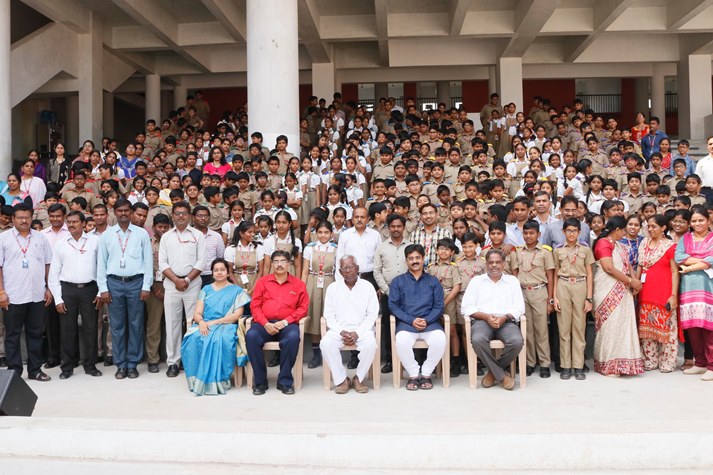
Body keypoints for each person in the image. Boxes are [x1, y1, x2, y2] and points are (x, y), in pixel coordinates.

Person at [97, 198, 153, 380]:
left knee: (136, 324)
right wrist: (103, 288)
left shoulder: (141, 234)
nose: (123, 213)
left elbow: (148, 261)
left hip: (136, 282)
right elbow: (101, 264)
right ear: (114, 212)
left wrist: (146, 286)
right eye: (119, 210)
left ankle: (133, 364)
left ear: (131, 212)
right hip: (114, 283)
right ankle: (120, 364)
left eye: (126, 211)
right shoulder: (107, 235)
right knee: (117, 325)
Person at [181, 258, 251, 396]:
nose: (219, 273)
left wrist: (213, 323)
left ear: (227, 272)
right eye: (216, 270)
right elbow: (197, 312)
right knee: (192, 338)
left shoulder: (236, 290)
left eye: (222, 270)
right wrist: (201, 322)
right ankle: (196, 380)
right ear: (212, 273)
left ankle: (220, 379)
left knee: (222, 339)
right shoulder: (206, 289)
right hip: (204, 323)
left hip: (227, 325)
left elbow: (237, 315)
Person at [0, 203, 53, 381]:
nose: (24, 220)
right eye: (20, 217)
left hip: (37, 295)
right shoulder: (4, 238)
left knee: (36, 334)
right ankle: (14, 371)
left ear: (32, 217)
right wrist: (1, 292)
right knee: (13, 334)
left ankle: (35, 370)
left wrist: (48, 288)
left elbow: (47, 264)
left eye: (27, 217)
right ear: (13, 219)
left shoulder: (40, 238)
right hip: (13, 296)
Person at [47, 210, 103, 379]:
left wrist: (101, 291)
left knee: (90, 328)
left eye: (75, 222)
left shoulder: (95, 242)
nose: (71, 225)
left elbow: (102, 268)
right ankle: (67, 367)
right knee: (67, 330)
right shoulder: (61, 244)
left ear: (83, 224)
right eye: (69, 222)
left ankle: (90, 365)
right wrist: (58, 298)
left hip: (90, 289)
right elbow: (54, 274)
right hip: (68, 291)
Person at [461, 249, 526, 390]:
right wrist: (486, 316)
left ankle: (493, 373)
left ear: (503, 264)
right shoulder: (476, 281)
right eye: (491, 262)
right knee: (478, 340)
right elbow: (466, 308)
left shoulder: (512, 281)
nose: (494, 265)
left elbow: (520, 307)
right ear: (486, 264)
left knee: (517, 341)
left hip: (506, 321)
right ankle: (502, 375)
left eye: (498, 262)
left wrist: (504, 317)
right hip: (482, 321)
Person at [246, 250, 309, 395]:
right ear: (272, 264)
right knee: (251, 336)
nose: (279, 265)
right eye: (276, 261)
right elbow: (254, 305)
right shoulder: (263, 282)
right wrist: (264, 322)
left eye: (282, 261)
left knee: (293, 337)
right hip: (265, 324)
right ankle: (261, 381)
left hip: (287, 325)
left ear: (289, 264)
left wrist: (286, 322)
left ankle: (285, 381)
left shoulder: (298, 284)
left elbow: (303, 308)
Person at [592, 216, 644, 377]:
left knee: (622, 326)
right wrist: (630, 281)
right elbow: (608, 268)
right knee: (609, 326)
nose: (625, 233)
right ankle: (608, 365)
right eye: (623, 230)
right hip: (606, 289)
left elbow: (627, 265)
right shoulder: (604, 243)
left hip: (624, 290)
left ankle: (623, 364)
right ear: (617, 230)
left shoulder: (620, 246)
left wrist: (635, 281)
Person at [389, 244, 445, 391]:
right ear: (406, 261)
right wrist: (411, 320)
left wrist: (427, 320)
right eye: (411, 258)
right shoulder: (398, 281)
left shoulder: (433, 281)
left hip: (430, 323)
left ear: (423, 259)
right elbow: (393, 306)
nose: (415, 261)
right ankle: (413, 374)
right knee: (401, 341)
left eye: (417, 258)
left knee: (440, 339)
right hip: (407, 324)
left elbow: (439, 306)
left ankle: (426, 373)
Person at [159, 201, 206, 378]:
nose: (180, 216)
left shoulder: (197, 235)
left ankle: (190, 360)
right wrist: (176, 280)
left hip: (192, 284)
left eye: (184, 213)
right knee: (172, 324)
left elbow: (201, 262)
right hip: (171, 284)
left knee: (193, 323)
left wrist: (186, 279)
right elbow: (162, 262)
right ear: (173, 215)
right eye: (177, 213)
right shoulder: (166, 237)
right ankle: (173, 362)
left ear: (190, 216)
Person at [321, 255, 379, 394]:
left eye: (350, 267)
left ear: (357, 269)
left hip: (362, 330)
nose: (347, 271)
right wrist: (341, 331)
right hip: (338, 331)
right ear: (340, 272)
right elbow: (329, 315)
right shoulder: (333, 288)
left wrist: (357, 333)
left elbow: (372, 315)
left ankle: (358, 378)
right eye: (344, 268)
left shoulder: (368, 287)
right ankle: (342, 380)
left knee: (371, 345)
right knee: (325, 343)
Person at [509, 220, 554, 378]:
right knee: (526, 330)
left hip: (539, 291)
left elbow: (550, 275)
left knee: (541, 330)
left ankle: (544, 363)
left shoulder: (545, 252)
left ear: (538, 235)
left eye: (532, 233)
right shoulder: (517, 252)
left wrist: (551, 299)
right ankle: (529, 362)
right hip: (522, 293)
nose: (528, 236)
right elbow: (514, 274)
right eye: (525, 233)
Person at [552, 218, 594, 380]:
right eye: (568, 230)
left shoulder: (585, 250)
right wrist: (555, 297)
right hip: (563, 285)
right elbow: (555, 273)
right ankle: (566, 366)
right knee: (564, 329)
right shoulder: (558, 250)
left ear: (579, 232)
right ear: (563, 232)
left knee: (579, 327)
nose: (571, 234)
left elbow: (590, 273)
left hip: (580, 285)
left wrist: (589, 298)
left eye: (574, 231)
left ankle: (578, 365)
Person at [637, 215, 679, 373]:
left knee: (666, 328)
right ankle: (650, 360)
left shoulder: (670, 246)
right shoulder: (643, 243)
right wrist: (636, 285)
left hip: (664, 292)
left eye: (654, 226)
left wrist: (673, 295)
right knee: (647, 329)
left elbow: (675, 272)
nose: (650, 229)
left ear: (663, 228)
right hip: (646, 291)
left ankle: (667, 362)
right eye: (648, 226)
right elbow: (640, 267)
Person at [676, 205, 713, 381]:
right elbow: (678, 257)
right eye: (694, 221)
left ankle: (712, 366)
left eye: (701, 220)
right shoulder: (685, 238)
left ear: (708, 220)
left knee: (709, 328)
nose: (697, 223)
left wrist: (690, 265)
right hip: (689, 288)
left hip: (708, 288)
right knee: (693, 327)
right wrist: (703, 261)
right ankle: (699, 363)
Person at [373, 214, 410, 374]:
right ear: (388, 228)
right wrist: (387, 290)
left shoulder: (410, 246)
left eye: (399, 226)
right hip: (388, 294)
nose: (396, 229)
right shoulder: (381, 247)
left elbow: (415, 268)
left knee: (408, 326)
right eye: (393, 226)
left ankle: (409, 360)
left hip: (408, 295)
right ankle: (389, 360)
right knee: (389, 327)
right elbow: (377, 271)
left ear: (404, 227)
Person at [301, 220, 337, 369]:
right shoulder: (310, 248)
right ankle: (317, 355)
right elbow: (304, 271)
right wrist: (302, 289)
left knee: (329, 317)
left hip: (329, 281)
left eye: (326, 232)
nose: (323, 235)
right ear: (316, 233)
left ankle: (330, 351)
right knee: (315, 317)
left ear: (331, 234)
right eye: (320, 232)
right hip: (313, 281)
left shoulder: (335, 249)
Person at [145, 213, 171, 373]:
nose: (162, 230)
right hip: (154, 285)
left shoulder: (172, 242)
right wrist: (154, 289)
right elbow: (145, 266)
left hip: (171, 283)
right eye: (159, 227)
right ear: (153, 227)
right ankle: (152, 359)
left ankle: (171, 357)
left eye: (165, 227)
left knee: (172, 323)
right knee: (153, 324)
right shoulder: (147, 243)